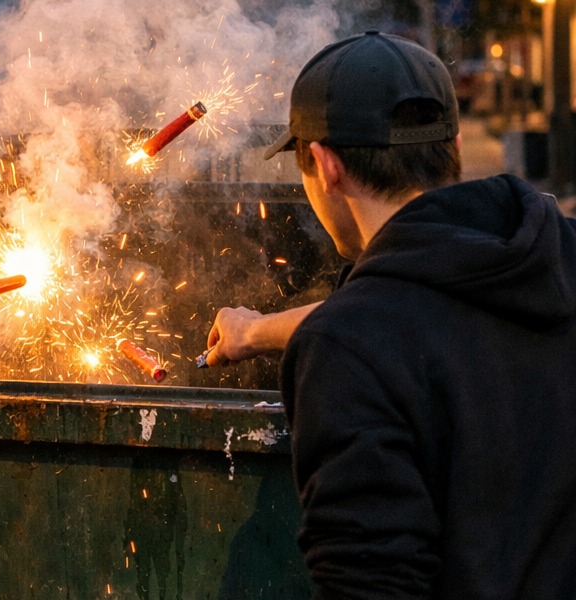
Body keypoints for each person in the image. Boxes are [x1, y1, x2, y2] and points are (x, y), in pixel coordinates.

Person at [209, 31, 576, 598]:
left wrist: (318, 336)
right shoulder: (557, 254)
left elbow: (370, 583)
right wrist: (256, 331)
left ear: (326, 165)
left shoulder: (350, 348)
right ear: (454, 145)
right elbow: (425, 305)